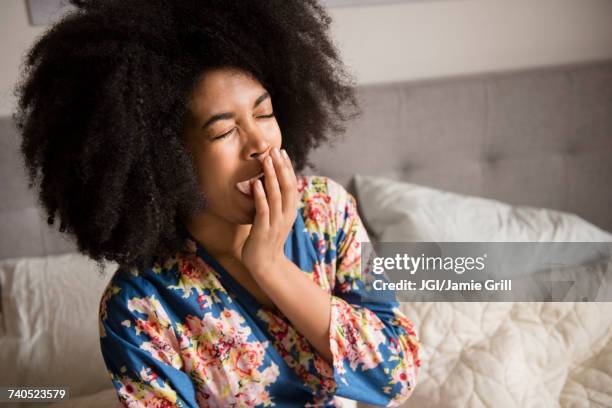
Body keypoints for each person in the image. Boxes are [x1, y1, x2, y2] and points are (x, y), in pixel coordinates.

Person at [15, 0, 420, 406]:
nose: (261, 143)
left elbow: (396, 375)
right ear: (167, 160)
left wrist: (271, 266)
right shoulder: (139, 306)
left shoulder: (327, 211)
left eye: (264, 114)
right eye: (224, 131)